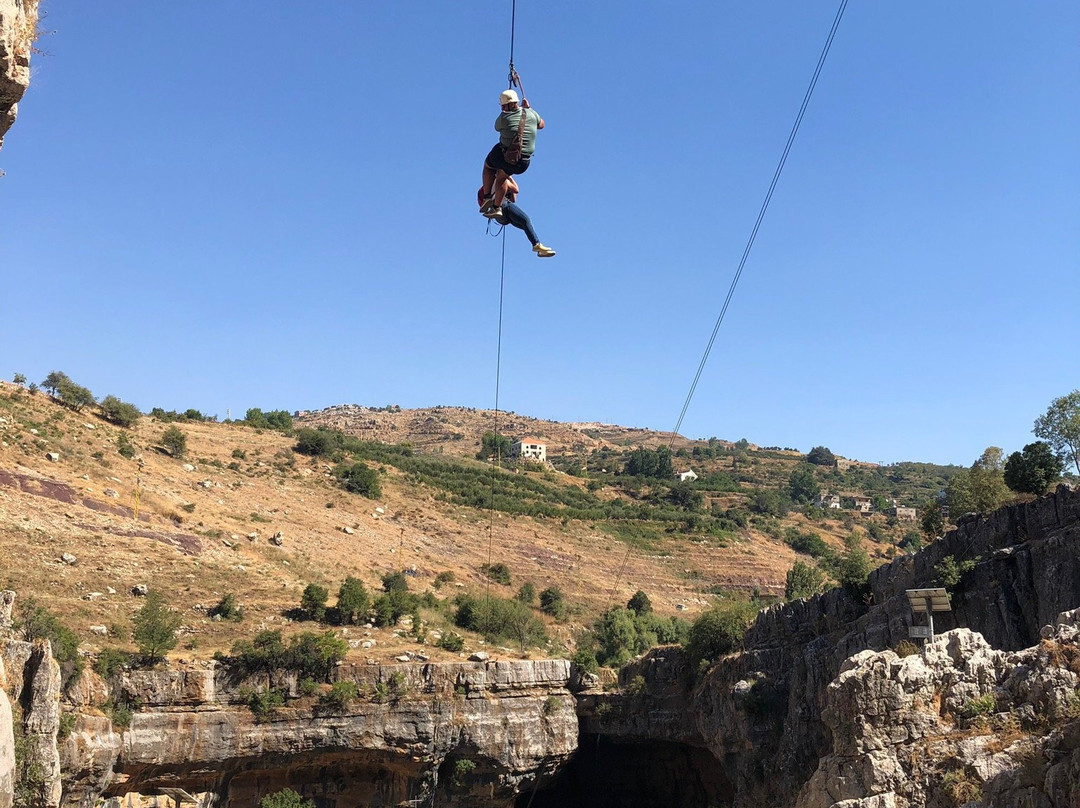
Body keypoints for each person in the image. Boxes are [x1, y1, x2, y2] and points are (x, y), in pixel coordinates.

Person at [479, 89, 544, 214]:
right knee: (502, 175)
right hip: (524, 163)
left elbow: (497, 128)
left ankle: (487, 197)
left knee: (488, 165)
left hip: (507, 157)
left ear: (506, 105)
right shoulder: (531, 114)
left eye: (503, 106)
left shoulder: (503, 118)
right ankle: (496, 208)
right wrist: (528, 108)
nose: (502, 108)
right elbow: (541, 125)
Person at [477, 177, 555, 258]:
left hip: (499, 217)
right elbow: (516, 190)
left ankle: (538, 248)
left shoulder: (487, 187)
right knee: (526, 220)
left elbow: (513, 199)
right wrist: (510, 178)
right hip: (504, 206)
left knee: (526, 226)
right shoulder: (502, 180)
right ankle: (537, 245)